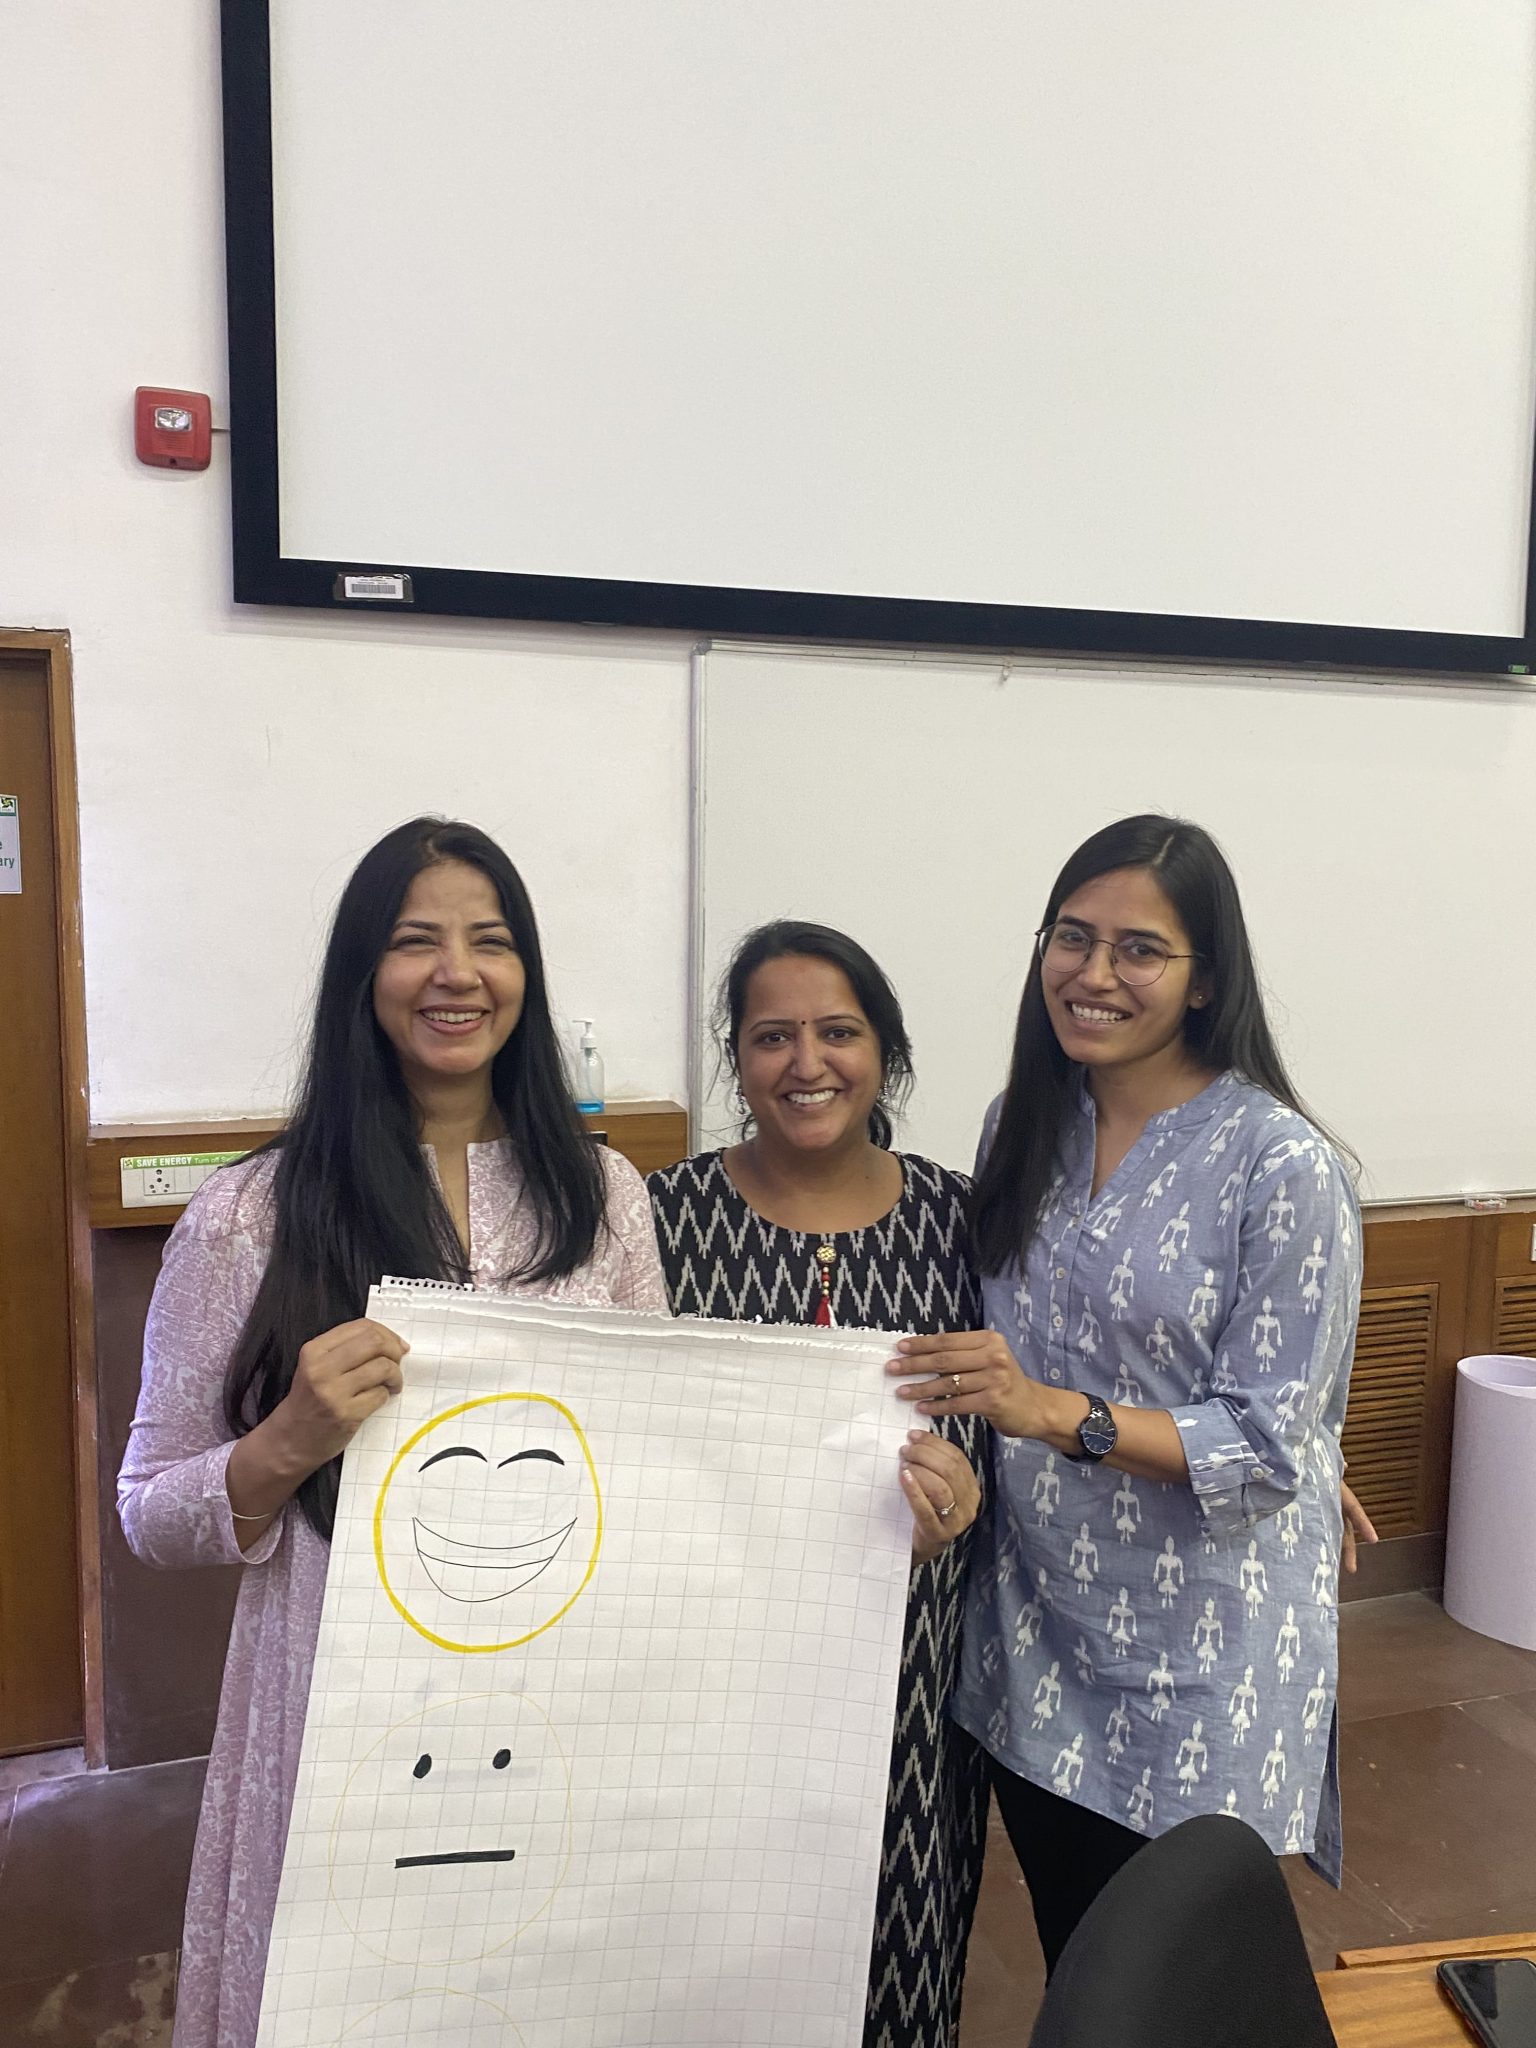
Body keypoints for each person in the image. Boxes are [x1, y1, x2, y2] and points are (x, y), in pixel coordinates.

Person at [118, 818, 667, 2048]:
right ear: (363, 977)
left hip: (550, 1699)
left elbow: (647, 1457)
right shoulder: (251, 1211)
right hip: (332, 1706)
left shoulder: (605, 1194)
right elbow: (149, 1506)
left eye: (491, 940)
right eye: (416, 941)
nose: (457, 972)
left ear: (526, 975)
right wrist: (284, 1439)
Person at [889, 815, 1364, 1973]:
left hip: (1198, 1650)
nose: (1094, 974)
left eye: (1139, 949)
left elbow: (1260, 1441)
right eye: (1072, 937)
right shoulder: (1023, 1124)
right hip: (1035, 1631)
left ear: (1205, 982)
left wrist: (1054, 1410)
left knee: (1182, 1970)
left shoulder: (1281, 1162)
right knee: (1079, 1946)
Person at [646, 920, 988, 2048]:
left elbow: (1027, 1401)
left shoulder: (964, 1218)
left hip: (912, 1665)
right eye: (771, 1035)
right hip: (713, 1669)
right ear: (735, 1058)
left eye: (839, 1031)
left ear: (885, 1053)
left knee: (901, 1945)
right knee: (707, 1945)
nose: (808, 1063)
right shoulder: (657, 1218)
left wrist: (962, 1500)